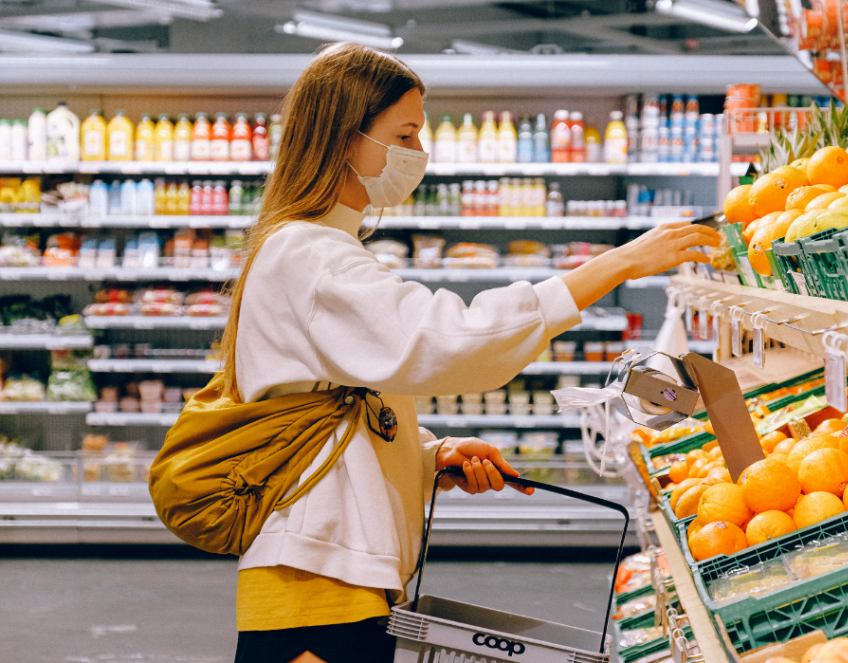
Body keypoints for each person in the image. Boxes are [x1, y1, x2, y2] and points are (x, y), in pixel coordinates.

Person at [223, 42, 721, 663]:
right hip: (316, 576)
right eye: (404, 134)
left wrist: (428, 455)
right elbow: (447, 341)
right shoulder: (310, 255)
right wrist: (618, 263)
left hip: (337, 569)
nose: (418, 153)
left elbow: (333, 413)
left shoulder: (317, 246)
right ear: (345, 139)